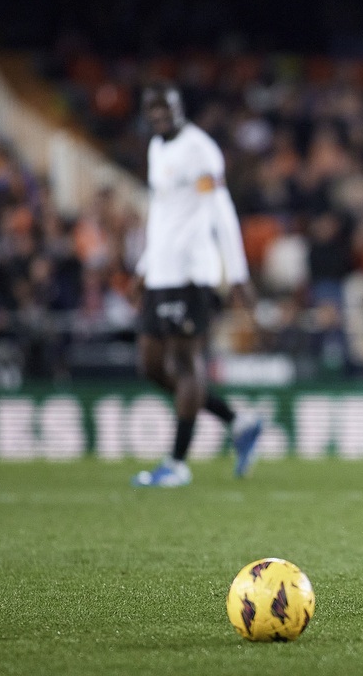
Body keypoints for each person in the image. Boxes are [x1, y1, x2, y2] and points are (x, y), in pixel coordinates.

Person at [130, 83, 262, 487]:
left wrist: (237, 274)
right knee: (152, 366)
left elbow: (220, 210)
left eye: (165, 106)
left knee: (186, 365)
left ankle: (177, 464)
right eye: (152, 108)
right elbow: (164, 212)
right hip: (161, 273)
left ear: (179, 106)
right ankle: (238, 421)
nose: (159, 115)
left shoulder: (199, 149)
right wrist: (145, 263)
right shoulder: (157, 147)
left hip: (192, 274)